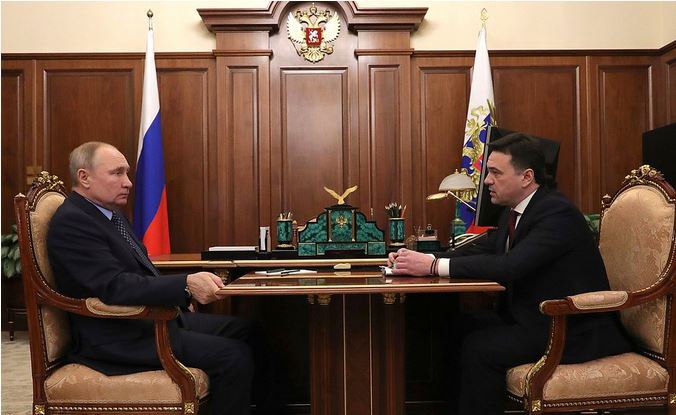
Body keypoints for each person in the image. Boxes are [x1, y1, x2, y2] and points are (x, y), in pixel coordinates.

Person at [388, 133, 632, 415]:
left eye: (495, 173)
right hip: (532, 318)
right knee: (456, 327)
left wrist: (432, 268)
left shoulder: (556, 213)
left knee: (480, 348)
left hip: (571, 328)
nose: (487, 181)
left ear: (526, 177)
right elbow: (485, 247)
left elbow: (510, 265)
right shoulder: (514, 212)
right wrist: (423, 259)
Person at [47, 141, 276, 415]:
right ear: (84, 177)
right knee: (232, 355)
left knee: (250, 331)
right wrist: (184, 284)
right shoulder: (73, 221)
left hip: (149, 321)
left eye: (127, 173)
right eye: (117, 173)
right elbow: (114, 286)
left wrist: (180, 294)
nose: (128, 182)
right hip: (117, 336)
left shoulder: (110, 214)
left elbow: (140, 270)